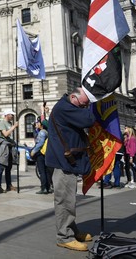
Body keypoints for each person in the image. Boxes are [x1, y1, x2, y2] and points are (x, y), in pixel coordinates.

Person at [45, 87, 95, 252]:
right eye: (83, 104)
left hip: (67, 161)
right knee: (65, 200)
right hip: (63, 162)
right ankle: (64, 237)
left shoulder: (68, 106)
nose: (84, 107)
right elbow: (88, 120)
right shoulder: (64, 107)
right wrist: (90, 107)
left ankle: (72, 231)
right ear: (73, 97)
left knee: (68, 199)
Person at [0, 110, 18, 194]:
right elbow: (5, 134)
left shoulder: (10, 124)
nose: (12, 116)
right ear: (7, 115)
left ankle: (9, 185)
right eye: (11, 115)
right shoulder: (2, 123)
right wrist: (14, 127)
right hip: (3, 147)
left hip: (9, 147)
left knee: (9, 167)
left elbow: (9, 137)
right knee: (1, 167)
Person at [31, 119, 52, 194]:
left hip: (40, 153)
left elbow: (40, 143)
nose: (37, 123)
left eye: (38, 123)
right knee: (46, 171)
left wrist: (34, 151)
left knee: (42, 171)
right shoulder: (47, 132)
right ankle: (48, 187)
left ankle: (43, 188)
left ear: (42, 125)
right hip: (46, 153)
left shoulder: (42, 132)